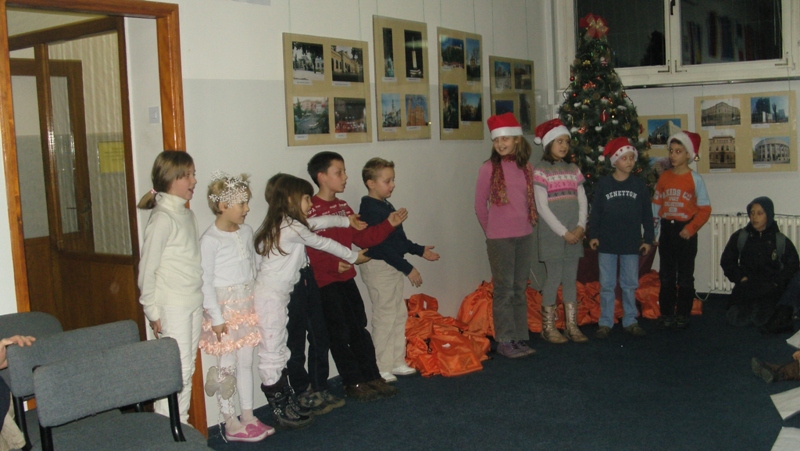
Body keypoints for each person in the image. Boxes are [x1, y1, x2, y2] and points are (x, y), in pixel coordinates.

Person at [252, 173, 366, 429]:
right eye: (306, 198)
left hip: (279, 295)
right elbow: (321, 241)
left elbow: (316, 222)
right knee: (272, 352)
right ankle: (280, 408)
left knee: (279, 349)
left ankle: (285, 401)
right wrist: (353, 256)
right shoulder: (291, 228)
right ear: (290, 200)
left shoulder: (288, 223)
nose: (310, 203)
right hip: (271, 297)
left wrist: (344, 220)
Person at [306, 151, 404, 401]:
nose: (345, 177)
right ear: (322, 177)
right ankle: (353, 382)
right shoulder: (311, 209)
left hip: (346, 279)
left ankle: (372, 376)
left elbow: (362, 238)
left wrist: (388, 224)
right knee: (339, 334)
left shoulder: (343, 207)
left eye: (344, 171)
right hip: (325, 282)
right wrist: (333, 264)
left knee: (359, 327)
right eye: (338, 172)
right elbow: (309, 248)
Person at [198, 171, 272, 442]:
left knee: (246, 362)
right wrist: (216, 317)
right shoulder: (210, 240)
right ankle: (229, 420)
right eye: (242, 203)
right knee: (226, 366)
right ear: (222, 205)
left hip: (246, 306)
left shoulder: (247, 231)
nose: (247, 208)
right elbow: (205, 281)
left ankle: (248, 415)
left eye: (246, 202)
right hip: (225, 311)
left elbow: (254, 265)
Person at [137, 150, 203, 424]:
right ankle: (167, 428)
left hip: (192, 301)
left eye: (193, 174)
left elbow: (192, 262)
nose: (194, 180)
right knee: (175, 370)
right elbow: (147, 270)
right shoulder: (162, 218)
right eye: (187, 175)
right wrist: (152, 311)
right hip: (171, 305)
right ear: (170, 179)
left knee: (187, 369)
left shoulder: (187, 215)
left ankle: (180, 425)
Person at [360, 157, 440, 376]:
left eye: (393, 180)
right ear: (371, 183)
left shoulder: (385, 205)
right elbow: (382, 247)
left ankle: (396, 361)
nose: (393, 185)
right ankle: (381, 366)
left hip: (392, 265)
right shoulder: (370, 209)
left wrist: (420, 250)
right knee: (385, 317)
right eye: (387, 181)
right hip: (380, 267)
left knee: (398, 314)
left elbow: (398, 241)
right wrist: (408, 268)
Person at [474, 113, 538, 358]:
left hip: (525, 235)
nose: (500, 144)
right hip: (500, 239)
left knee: (519, 288)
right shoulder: (488, 168)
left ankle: (519, 337)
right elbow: (480, 205)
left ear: (517, 140)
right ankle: (505, 340)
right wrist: (492, 232)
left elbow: (528, 202)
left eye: (505, 139)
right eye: (496, 140)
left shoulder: (527, 168)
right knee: (504, 290)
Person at [588, 137, 654, 339]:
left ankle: (630, 320)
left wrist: (648, 239)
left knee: (629, 283)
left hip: (630, 243)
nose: (629, 161)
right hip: (607, 243)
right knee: (607, 284)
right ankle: (605, 321)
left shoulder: (639, 185)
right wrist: (593, 235)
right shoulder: (604, 184)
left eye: (632, 158)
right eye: (624, 158)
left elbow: (647, 214)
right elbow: (596, 212)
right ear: (614, 161)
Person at [533, 118, 589, 344]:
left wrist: (581, 226)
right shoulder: (541, 171)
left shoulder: (573, 169)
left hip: (575, 235)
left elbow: (583, 200)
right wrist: (564, 232)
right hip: (553, 236)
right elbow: (542, 207)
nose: (564, 145)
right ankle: (548, 327)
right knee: (553, 278)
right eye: (559, 141)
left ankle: (571, 325)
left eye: (566, 141)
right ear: (548, 144)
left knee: (570, 279)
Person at [652, 131, 711, 330]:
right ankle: (667, 313)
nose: (673, 155)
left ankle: (683, 313)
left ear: (688, 154)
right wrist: (655, 232)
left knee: (685, 276)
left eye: (678, 151)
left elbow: (705, 209)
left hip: (685, 231)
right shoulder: (664, 177)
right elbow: (656, 206)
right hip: (667, 230)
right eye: (671, 151)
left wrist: (691, 228)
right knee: (666, 275)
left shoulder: (695, 179)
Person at [720, 196, 799, 329]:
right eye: (752, 213)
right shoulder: (741, 236)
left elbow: (793, 266)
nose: (754, 217)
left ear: (768, 215)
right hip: (746, 286)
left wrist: (776, 283)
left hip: (770, 289)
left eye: (759, 213)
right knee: (737, 319)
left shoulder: (780, 241)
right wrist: (740, 278)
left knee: (762, 319)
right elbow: (727, 260)